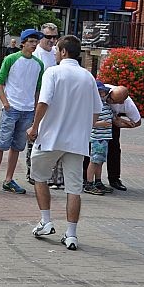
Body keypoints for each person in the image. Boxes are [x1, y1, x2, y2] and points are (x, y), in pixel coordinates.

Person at [26, 35, 102, 251]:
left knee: (39, 177)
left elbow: (44, 101)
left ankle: (46, 220)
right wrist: (85, 128)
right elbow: (96, 110)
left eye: (57, 49)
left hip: (50, 137)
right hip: (77, 141)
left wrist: (34, 127)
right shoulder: (87, 77)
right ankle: (71, 234)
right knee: (74, 188)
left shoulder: (53, 71)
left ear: (63, 52)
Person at [0, 28, 44, 195]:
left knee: (17, 146)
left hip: (27, 110)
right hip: (12, 108)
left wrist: (34, 108)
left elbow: (38, 89)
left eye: (36, 42)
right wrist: (5, 102)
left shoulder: (38, 64)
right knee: (1, 144)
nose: (34, 45)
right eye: (31, 42)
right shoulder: (11, 59)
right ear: (23, 43)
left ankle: (9, 179)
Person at [31, 23, 62, 189]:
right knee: (35, 135)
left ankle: (49, 174)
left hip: (54, 102)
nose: (52, 40)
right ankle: (33, 172)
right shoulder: (37, 54)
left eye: (54, 37)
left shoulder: (56, 53)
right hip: (40, 100)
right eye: (48, 37)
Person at [103, 85, 142, 191]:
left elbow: (137, 121)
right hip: (96, 120)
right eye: (110, 98)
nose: (109, 101)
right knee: (90, 148)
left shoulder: (128, 104)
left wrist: (121, 124)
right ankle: (85, 177)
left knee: (114, 149)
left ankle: (114, 179)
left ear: (121, 102)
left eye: (113, 101)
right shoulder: (104, 90)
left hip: (112, 124)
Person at [84, 82, 115, 196]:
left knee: (100, 161)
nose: (102, 93)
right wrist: (100, 124)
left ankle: (98, 181)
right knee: (94, 160)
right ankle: (89, 182)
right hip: (97, 138)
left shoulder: (105, 105)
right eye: (100, 91)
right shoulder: (93, 106)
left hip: (104, 138)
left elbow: (113, 118)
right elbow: (88, 123)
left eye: (103, 91)